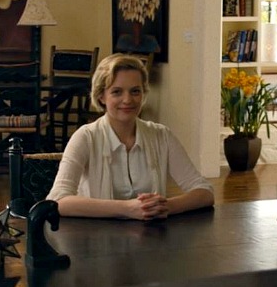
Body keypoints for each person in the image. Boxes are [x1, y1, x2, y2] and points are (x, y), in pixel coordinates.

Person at [46, 54, 214, 220]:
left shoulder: (161, 135)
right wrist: (126, 208)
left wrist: (167, 206)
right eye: (117, 92)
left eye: (135, 91)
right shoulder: (85, 137)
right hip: (97, 240)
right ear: (101, 96)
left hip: (152, 238)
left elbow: (205, 192)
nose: (127, 100)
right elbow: (57, 200)